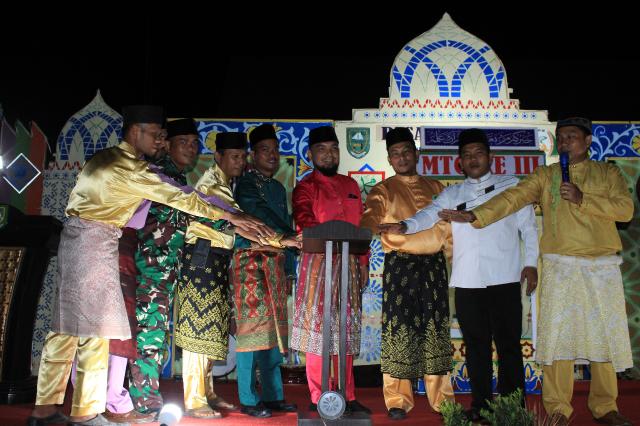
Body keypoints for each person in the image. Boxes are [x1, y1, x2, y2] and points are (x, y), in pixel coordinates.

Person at [28, 106, 266, 426]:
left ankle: (46, 411)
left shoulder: (108, 158)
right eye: (155, 135)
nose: (159, 141)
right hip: (98, 244)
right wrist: (231, 216)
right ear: (135, 131)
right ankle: (86, 414)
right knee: (96, 334)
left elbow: (181, 193)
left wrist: (231, 217)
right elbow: (181, 197)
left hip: (80, 242)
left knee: (66, 330)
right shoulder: (129, 167)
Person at [438, 118, 633, 426]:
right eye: (561, 137)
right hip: (559, 266)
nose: (565, 143)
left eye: (572, 137)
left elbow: (625, 210)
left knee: (603, 338)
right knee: (559, 340)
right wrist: (477, 214)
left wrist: (583, 198)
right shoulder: (546, 175)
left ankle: (605, 406)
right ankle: (558, 408)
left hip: (601, 266)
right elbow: (512, 198)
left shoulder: (608, 173)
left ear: (588, 141)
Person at [381, 128, 539, 423]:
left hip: (505, 278)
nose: (473, 159)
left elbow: (529, 230)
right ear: (460, 162)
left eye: (478, 153)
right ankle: (481, 406)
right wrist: (405, 226)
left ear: (490, 156)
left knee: (508, 346)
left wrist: (531, 264)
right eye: (467, 155)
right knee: (476, 347)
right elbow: (428, 214)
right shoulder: (453, 194)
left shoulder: (511, 187)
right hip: (467, 282)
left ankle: (513, 407)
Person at [174, 131, 273, 419]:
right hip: (201, 257)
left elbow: (237, 226)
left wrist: (271, 238)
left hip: (216, 258)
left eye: (243, 157)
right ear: (218, 156)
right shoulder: (211, 185)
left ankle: (207, 392)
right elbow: (232, 223)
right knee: (197, 330)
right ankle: (194, 400)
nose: (240, 162)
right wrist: (276, 238)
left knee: (211, 330)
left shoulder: (225, 184)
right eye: (234, 156)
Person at [360, 127, 455, 421]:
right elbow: (369, 217)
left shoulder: (437, 187)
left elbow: (450, 231)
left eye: (406, 152)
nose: (401, 158)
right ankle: (398, 400)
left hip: (434, 267)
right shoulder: (383, 190)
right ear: (389, 159)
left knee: (435, 331)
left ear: (416, 154)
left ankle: (442, 399)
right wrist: (365, 231)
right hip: (400, 266)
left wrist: (456, 262)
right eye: (395, 154)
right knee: (399, 331)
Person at [290, 125, 370, 414]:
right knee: (318, 331)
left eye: (333, 149)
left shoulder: (351, 186)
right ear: (310, 154)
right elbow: (304, 219)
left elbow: (361, 225)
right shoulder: (305, 187)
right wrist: (324, 234)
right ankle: (318, 395)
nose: (329, 155)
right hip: (318, 263)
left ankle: (348, 395)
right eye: (321, 150)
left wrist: (363, 263)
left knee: (345, 330)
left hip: (350, 262)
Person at [125, 118, 200, 417]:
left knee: (153, 334)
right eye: (184, 142)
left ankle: (143, 397)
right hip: (150, 269)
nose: (191, 148)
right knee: (149, 334)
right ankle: (145, 402)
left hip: (164, 271)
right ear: (167, 144)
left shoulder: (178, 178)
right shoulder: (159, 175)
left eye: (195, 143)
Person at [231, 123, 301, 417]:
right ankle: (248, 399)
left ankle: (273, 396)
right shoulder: (246, 185)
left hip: (275, 264)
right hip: (250, 263)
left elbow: (284, 229)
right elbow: (258, 216)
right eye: (264, 150)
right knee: (251, 333)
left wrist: (290, 268)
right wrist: (288, 236)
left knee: (273, 333)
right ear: (253, 155)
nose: (272, 155)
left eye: (275, 150)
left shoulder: (278, 187)